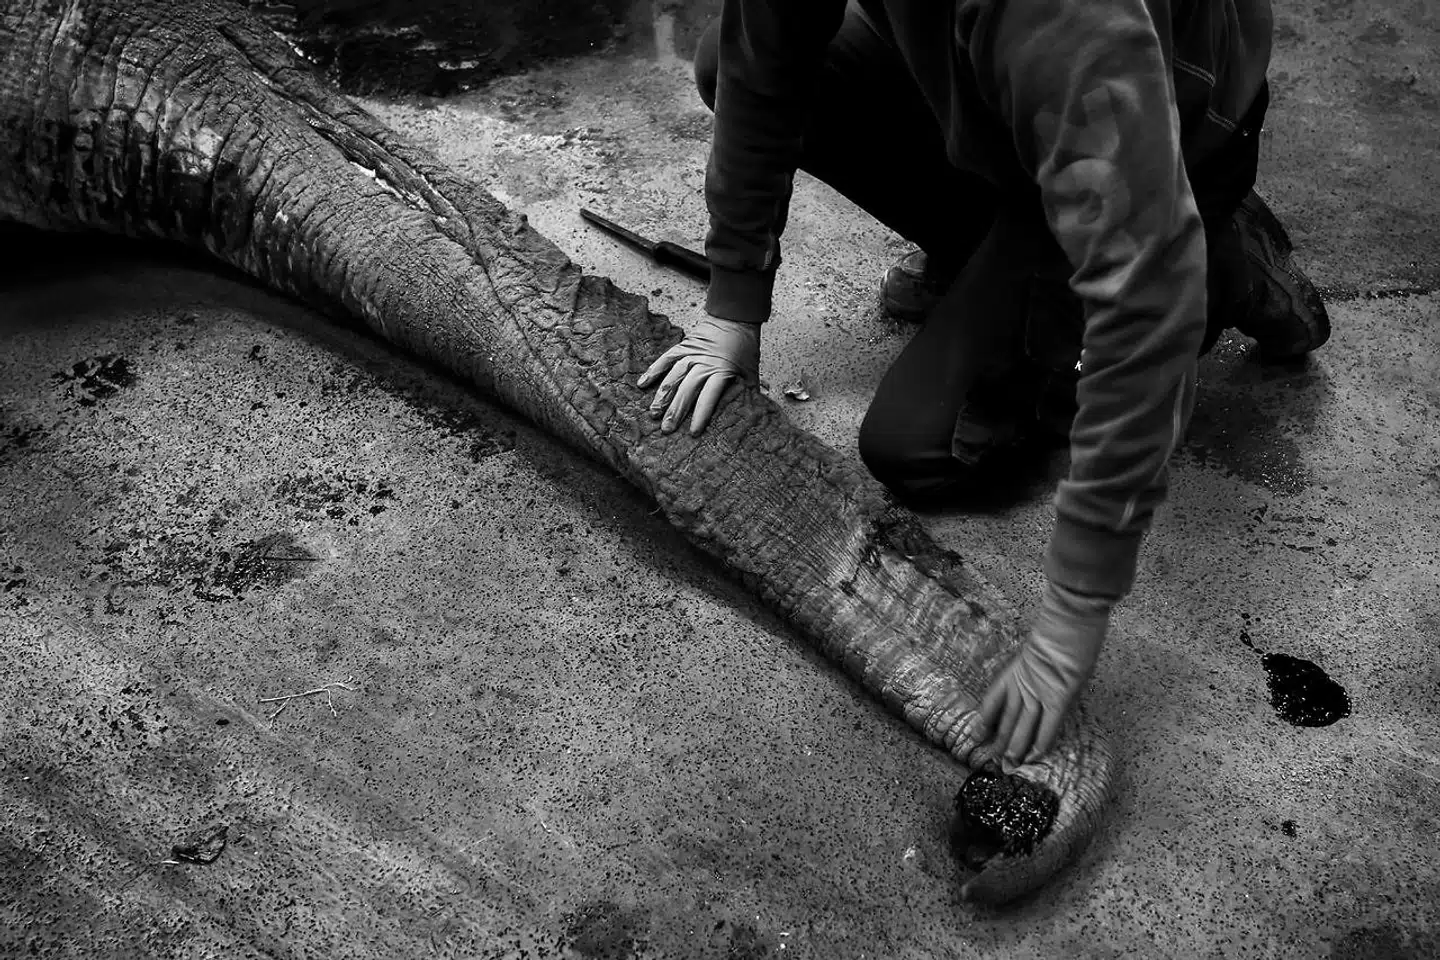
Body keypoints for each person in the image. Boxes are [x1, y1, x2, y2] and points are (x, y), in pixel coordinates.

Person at [637, 0, 1329, 768]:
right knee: (731, 62)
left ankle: (1212, 246)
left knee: (920, 446)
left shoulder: (1066, 17)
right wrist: (733, 306)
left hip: (1173, 112)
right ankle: (1012, 241)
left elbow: (1144, 314)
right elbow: (761, 56)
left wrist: (1071, 621)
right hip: (1022, 92)